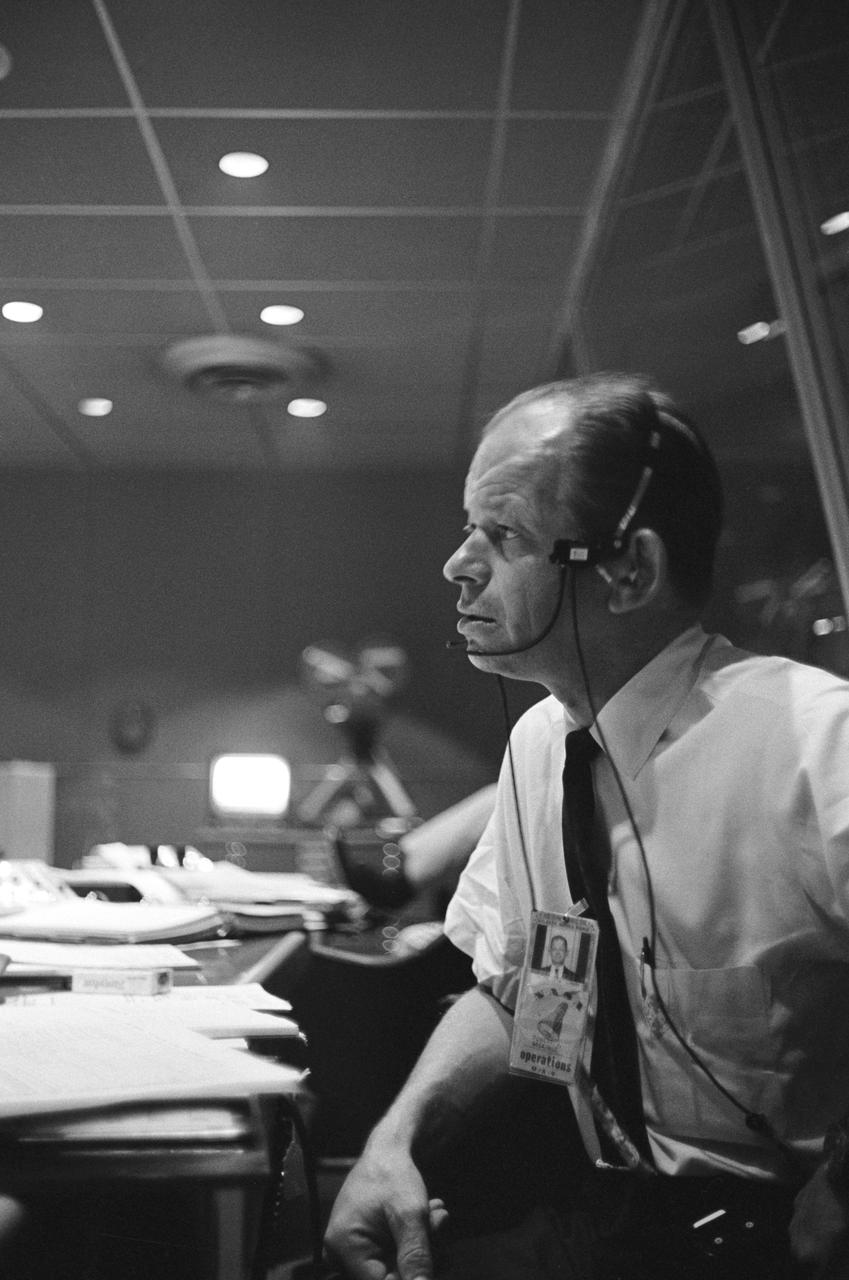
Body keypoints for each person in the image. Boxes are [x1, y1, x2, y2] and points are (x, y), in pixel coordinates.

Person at [323, 373, 849, 1279]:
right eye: (467, 529)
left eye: (505, 534)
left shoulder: (814, 742)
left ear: (628, 570)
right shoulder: (540, 743)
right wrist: (391, 1143)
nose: (458, 564)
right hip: (596, 1216)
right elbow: (528, 990)